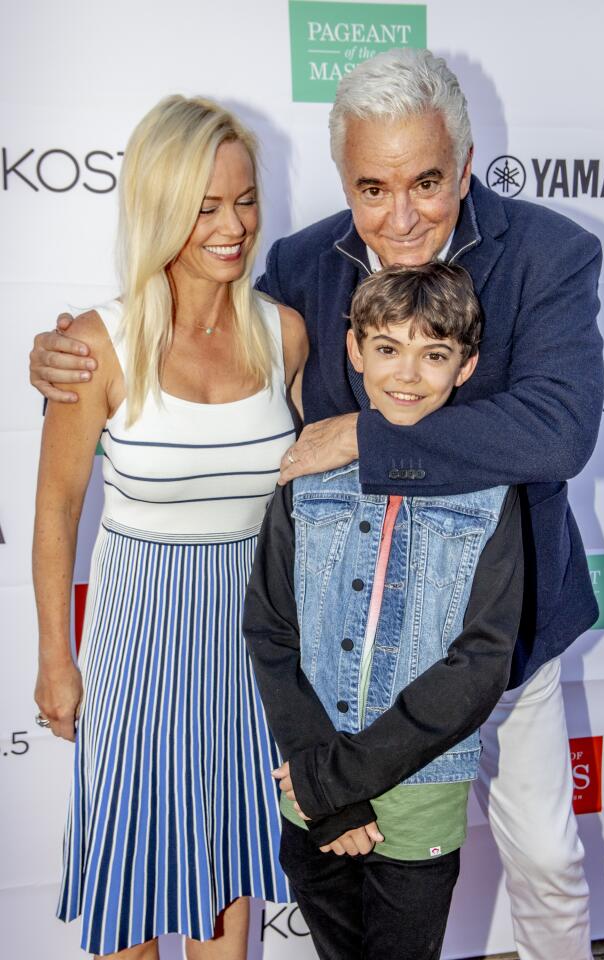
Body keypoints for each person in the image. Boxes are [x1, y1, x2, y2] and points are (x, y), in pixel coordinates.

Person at [30, 49, 604, 960]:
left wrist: (365, 438)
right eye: (372, 188)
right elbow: (194, 343)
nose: (401, 214)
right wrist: (61, 356)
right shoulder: (303, 268)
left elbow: (560, 430)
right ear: (343, 180)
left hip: (500, 625)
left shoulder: (547, 254)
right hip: (347, 644)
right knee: (331, 871)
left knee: (541, 851)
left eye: (426, 181)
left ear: (463, 164)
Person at [31, 95, 306, 959]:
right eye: (204, 206)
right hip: (137, 647)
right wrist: (54, 660)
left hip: (251, 647)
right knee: (132, 887)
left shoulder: (284, 336)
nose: (233, 227)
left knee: (226, 882)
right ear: (160, 208)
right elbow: (55, 514)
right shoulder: (96, 346)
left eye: (245, 199)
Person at [243, 262, 524, 960]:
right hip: (311, 794)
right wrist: (326, 791)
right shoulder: (309, 472)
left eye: (434, 354)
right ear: (354, 351)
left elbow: (480, 662)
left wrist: (338, 782)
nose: (407, 373)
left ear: (466, 366)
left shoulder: (491, 492)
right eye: (388, 348)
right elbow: (271, 628)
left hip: (414, 789)